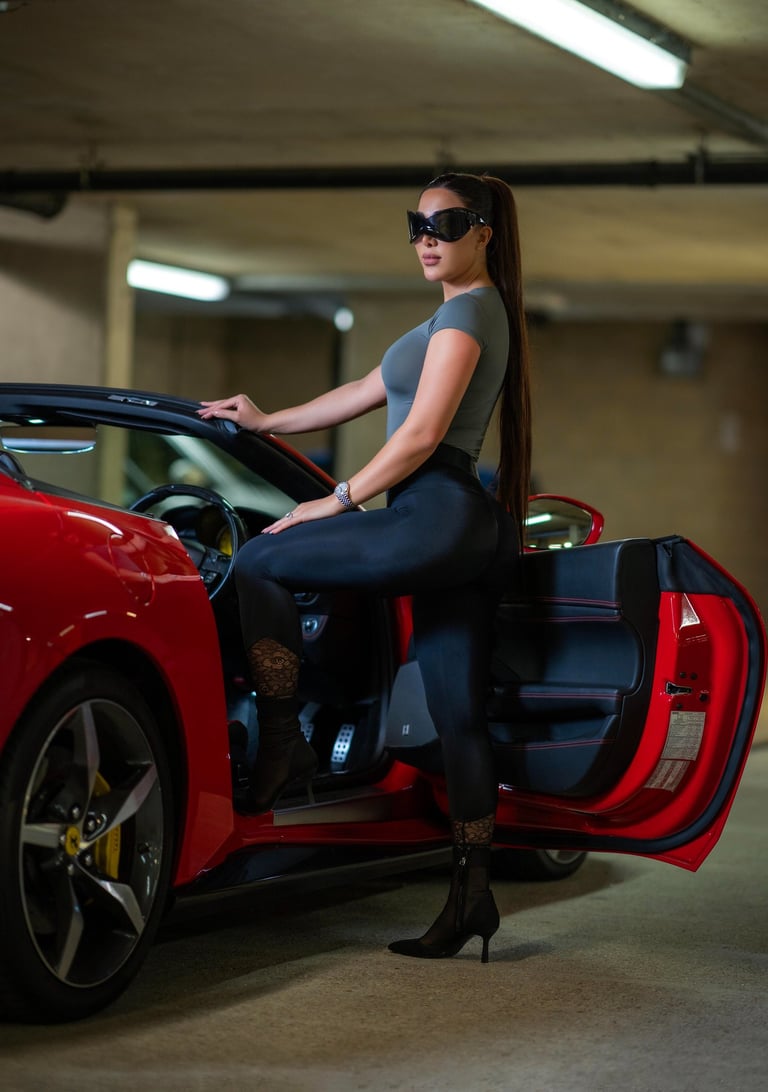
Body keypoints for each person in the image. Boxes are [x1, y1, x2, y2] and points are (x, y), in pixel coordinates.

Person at [198, 172, 531, 963]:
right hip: (452, 526)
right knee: (458, 717)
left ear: (483, 232)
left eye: (445, 223)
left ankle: (287, 740)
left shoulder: (474, 313)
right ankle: (470, 896)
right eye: (416, 222)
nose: (426, 236)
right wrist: (267, 420)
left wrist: (335, 500)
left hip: (436, 512)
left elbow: (418, 438)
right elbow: (361, 390)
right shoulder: (447, 318)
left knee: (262, 560)